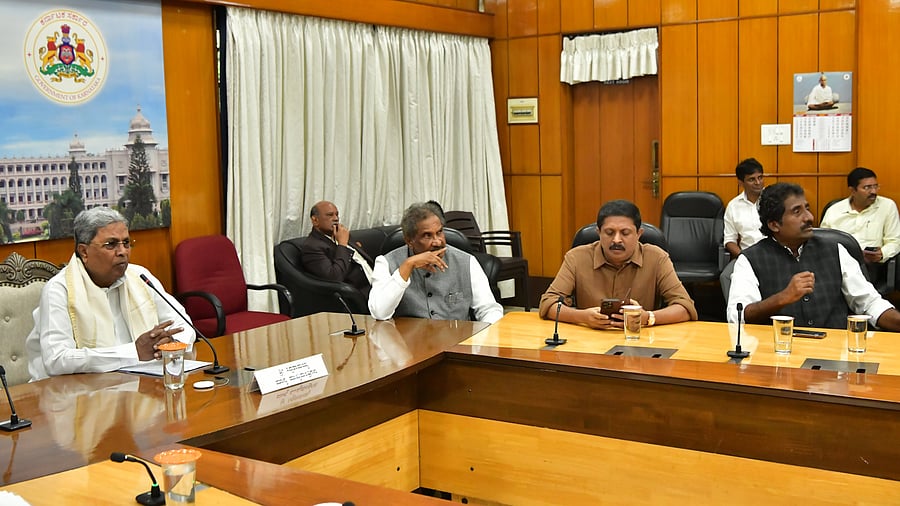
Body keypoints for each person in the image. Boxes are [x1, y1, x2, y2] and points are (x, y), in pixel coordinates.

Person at [26, 207, 196, 380]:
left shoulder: (140, 277)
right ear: (84, 252)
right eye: (111, 244)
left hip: (138, 386)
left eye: (126, 243)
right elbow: (56, 359)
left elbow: (184, 325)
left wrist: (170, 344)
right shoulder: (59, 290)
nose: (122, 252)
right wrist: (133, 352)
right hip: (74, 394)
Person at [727, 182, 900, 330]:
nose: (809, 217)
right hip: (778, 355)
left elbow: (868, 302)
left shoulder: (835, 250)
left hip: (833, 355)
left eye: (807, 209)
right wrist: (781, 299)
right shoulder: (750, 259)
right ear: (774, 225)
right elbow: (737, 316)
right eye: (797, 212)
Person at [539, 200, 697, 330]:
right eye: (609, 233)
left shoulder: (657, 258)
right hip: (589, 341)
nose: (616, 240)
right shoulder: (576, 257)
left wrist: (647, 318)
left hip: (641, 342)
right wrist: (583, 317)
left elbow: (685, 308)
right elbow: (548, 303)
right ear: (598, 232)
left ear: (639, 234)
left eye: (625, 233)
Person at [369, 202, 503, 323]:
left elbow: (489, 309)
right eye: (427, 235)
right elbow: (379, 313)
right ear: (409, 240)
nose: (437, 241)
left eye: (439, 232)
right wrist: (407, 266)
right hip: (408, 345)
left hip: (456, 342)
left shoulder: (467, 262)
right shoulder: (386, 263)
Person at [820, 167, 900, 284]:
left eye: (875, 186)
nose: (874, 192)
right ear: (852, 190)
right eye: (867, 187)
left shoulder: (887, 206)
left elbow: (895, 240)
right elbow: (822, 242)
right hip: (838, 263)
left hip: (869, 266)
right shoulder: (834, 210)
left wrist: (882, 254)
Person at [301, 201, 374, 296]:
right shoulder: (312, 247)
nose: (335, 218)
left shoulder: (340, 234)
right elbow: (335, 277)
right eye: (329, 215)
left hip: (376, 284)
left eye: (337, 214)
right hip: (360, 294)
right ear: (315, 220)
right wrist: (342, 245)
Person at [720, 158, 766, 297]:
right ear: (741, 183)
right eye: (752, 179)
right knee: (726, 276)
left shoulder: (774, 200)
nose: (758, 183)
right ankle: (736, 316)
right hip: (747, 255)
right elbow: (729, 240)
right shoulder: (733, 206)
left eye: (760, 177)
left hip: (773, 254)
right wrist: (743, 256)